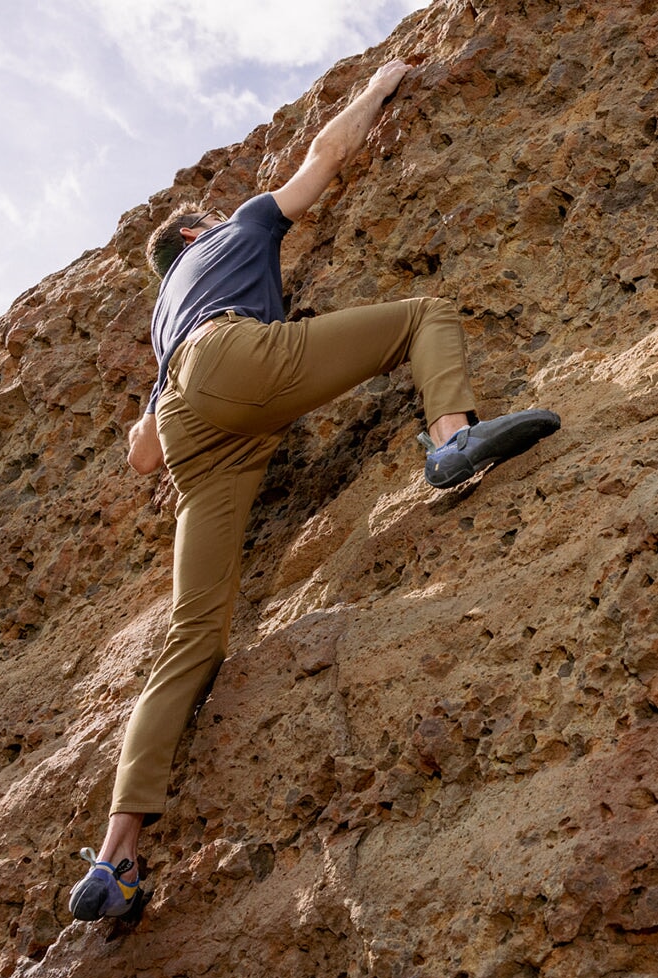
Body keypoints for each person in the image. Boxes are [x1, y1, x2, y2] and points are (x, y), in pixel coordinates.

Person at [69, 59, 560, 921]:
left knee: (192, 634)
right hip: (233, 367)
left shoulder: (162, 316)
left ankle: (117, 860)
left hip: (189, 427)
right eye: (208, 221)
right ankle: (452, 442)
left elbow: (142, 457)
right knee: (424, 314)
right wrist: (379, 86)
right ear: (191, 236)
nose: (223, 221)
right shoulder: (228, 237)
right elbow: (320, 163)